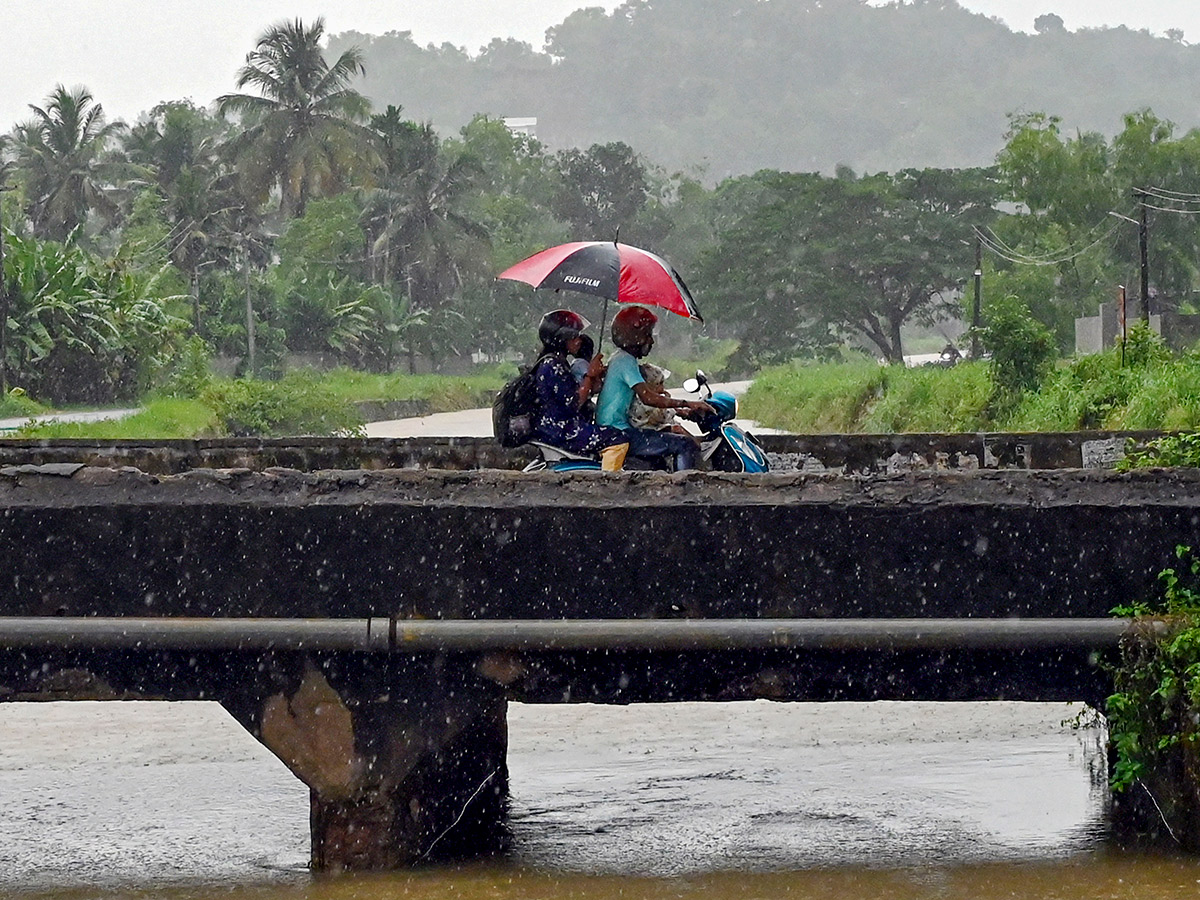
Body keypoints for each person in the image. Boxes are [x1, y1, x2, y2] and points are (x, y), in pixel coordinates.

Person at [595, 306, 714, 471]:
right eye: (647, 335)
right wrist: (688, 403)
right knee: (684, 444)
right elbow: (649, 398)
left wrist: (681, 411)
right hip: (618, 433)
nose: (650, 341)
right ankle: (685, 488)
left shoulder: (619, 359)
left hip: (616, 430)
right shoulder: (626, 362)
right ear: (635, 337)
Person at [531, 309, 629, 471]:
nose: (578, 341)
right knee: (618, 438)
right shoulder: (552, 365)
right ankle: (611, 483)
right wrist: (589, 375)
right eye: (574, 336)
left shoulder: (556, 362)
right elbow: (574, 403)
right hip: (561, 430)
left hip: (555, 428)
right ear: (561, 339)